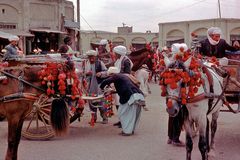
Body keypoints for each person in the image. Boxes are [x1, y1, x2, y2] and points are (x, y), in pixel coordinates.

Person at [100, 67, 145, 136]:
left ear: (111, 74)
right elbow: (122, 88)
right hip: (136, 95)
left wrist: (101, 87)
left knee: (123, 114)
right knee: (131, 115)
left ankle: (127, 131)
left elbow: (105, 82)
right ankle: (130, 130)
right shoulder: (123, 76)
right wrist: (112, 92)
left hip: (130, 96)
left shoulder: (116, 76)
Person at [84, 50, 108, 124]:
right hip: (90, 86)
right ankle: (93, 118)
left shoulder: (100, 63)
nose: (91, 59)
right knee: (91, 102)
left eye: (92, 57)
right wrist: (87, 74)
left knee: (101, 101)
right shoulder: (85, 64)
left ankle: (104, 117)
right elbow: (83, 74)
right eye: (89, 57)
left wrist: (101, 73)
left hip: (99, 85)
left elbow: (106, 72)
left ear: (95, 57)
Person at [112, 45, 133, 128]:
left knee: (123, 104)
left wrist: (117, 75)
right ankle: (121, 119)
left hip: (123, 85)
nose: (114, 54)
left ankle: (124, 121)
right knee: (118, 103)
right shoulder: (118, 61)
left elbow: (127, 74)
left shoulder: (125, 61)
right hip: (118, 83)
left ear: (119, 53)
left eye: (115, 53)